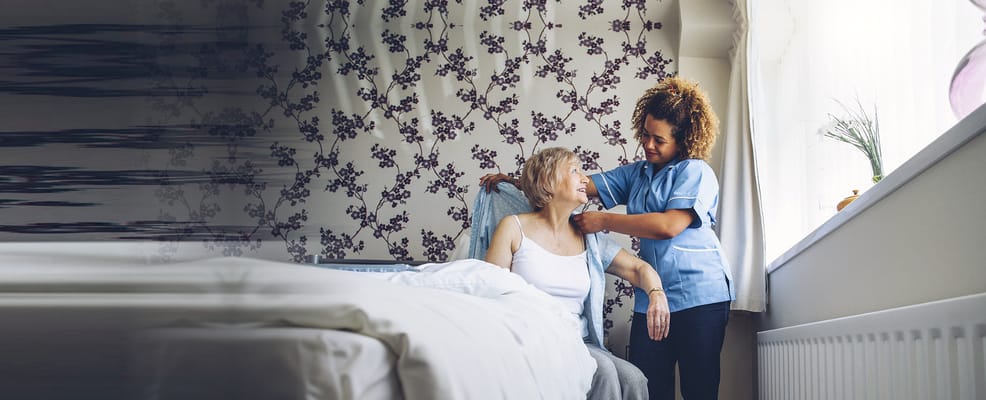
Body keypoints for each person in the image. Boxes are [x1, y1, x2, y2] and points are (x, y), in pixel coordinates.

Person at [480, 76, 734, 400]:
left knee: (699, 388)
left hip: (700, 294)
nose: (648, 144)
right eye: (645, 134)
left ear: (682, 140)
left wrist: (603, 220)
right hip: (651, 297)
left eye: (659, 139)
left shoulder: (695, 172)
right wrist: (515, 181)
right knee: (648, 383)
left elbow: (669, 225)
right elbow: (569, 185)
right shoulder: (637, 174)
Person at [483, 147, 668, 400]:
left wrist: (656, 294)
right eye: (575, 171)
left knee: (634, 378)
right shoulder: (513, 227)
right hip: (532, 340)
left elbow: (639, 269)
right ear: (548, 181)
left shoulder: (588, 238)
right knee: (602, 372)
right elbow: (489, 290)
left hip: (579, 342)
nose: (585, 178)